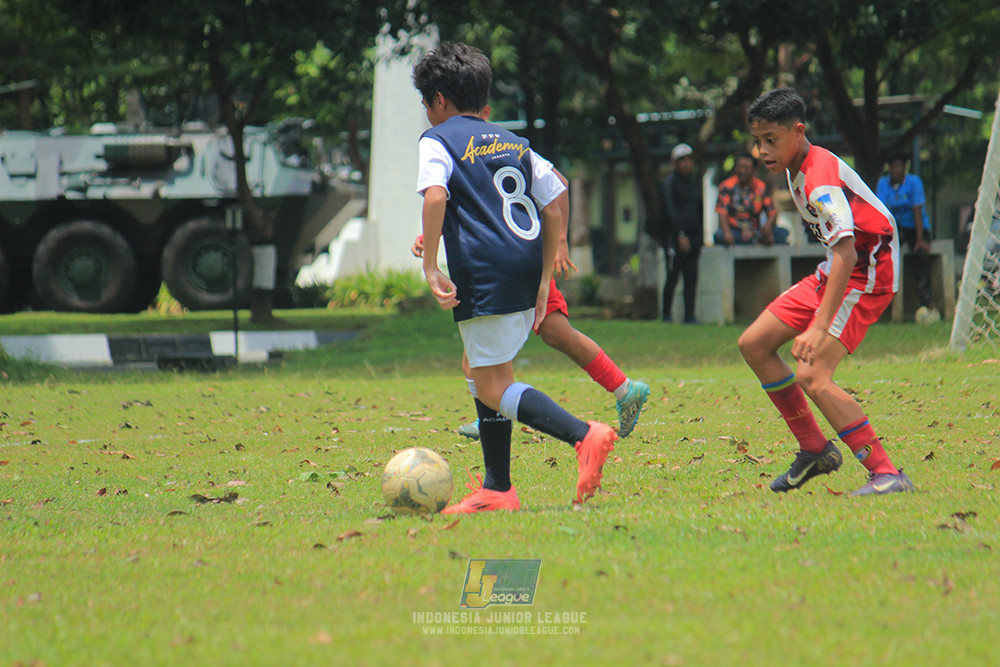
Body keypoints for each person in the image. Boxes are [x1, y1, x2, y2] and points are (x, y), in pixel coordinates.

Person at [412, 42, 618, 513]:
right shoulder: (513, 141)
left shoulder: (438, 139)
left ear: (440, 100)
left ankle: (584, 436)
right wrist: (545, 276)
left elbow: (437, 195)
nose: (427, 113)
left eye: (426, 102)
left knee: (489, 385)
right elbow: (553, 197)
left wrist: (430, 265)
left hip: (486, 274)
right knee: (482, 368)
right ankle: (498, 488)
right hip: (523, 267)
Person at [737, 87, 915, 496]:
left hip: (868, 274)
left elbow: (847, 253)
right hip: (838, 267)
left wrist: (819, 327)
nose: (761, 150)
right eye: (757, 141)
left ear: (799, 132)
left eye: (770, 140)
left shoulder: (819, 181)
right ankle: (815, 448)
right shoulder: (793, 165)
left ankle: (886, 473)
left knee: (813, 376)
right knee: (755, 343)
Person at [411, 168, 649, 441]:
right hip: (516, 257)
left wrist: (560, 241)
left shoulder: (492, 146)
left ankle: (494, 415)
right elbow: (477, 207)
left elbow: (558, 183)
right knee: (551, 333)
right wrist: (430, 235)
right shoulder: (466, 148)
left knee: (485, 347)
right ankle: (623, 389)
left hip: (510, 259)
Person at [876, 153, 936, 318]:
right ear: (890, 169)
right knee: (882, 255)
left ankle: (926, 300)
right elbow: (882, 212)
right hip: (896, 227)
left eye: (901, 166)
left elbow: (917, 211)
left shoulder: (914, 182)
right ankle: (881, 303)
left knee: (922, 254)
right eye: (895, 166)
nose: (898, 169)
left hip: (917, 227)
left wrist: (919, 240)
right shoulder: (883, 184)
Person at [659, 142, 704, 323]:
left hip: (694, 236)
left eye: (688, 160)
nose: (686, 164)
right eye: (682, 160)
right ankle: (666, 314)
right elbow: (669, 211)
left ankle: (689, 316)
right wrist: (680, 234)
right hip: (675, 238)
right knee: (673, 275)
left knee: (691, 277)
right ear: (674, 163)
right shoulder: (669, 184)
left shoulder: (692, 183)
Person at [713, 152, 788, 246]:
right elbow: (722, 213)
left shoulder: (761, 187)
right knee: (719, 235)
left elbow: (772, 212)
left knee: (783, 233)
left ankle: (757, 240)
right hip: (734, 230)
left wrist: (767, 227)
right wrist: (727, 232)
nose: (742, 171)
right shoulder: (726, 186)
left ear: (754, 170)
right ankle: (755, 241)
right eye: (739, 166)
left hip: (755, 230)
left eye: (746, 168)